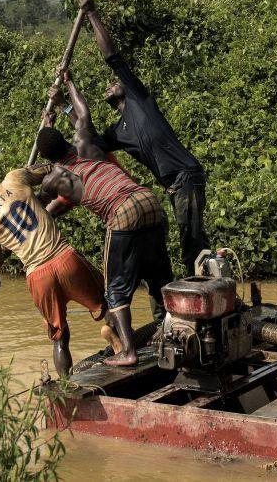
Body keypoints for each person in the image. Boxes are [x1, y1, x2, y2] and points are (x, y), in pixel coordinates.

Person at [35, 73, 172, 368]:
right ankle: (171, 329)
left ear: (48, 159)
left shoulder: (54, 179)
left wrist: (45, 126)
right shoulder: (86, 142)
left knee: (115, 288)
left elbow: (41, 202)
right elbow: (82, 113)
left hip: (121, 211)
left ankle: (128, 351)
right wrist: (70, 84)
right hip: (148, 200)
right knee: (159, 276)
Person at [78, 0, 210, 275]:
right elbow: (86, 139)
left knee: (191, 241)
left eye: (114, 84)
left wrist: (91, 14)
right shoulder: (118, 133)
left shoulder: (139, 99)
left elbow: (111, 56)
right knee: (193, 239)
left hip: (186, 175)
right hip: (175, 185)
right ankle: (207, 285)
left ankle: (201, 292)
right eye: (108, 87)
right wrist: (67, 103)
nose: (109, 86)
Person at [0, 163, 105, 377]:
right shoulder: (14, 178)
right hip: (64, 257)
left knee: (59, 337)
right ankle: (127, 348)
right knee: (109, 304)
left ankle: (66, 384)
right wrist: (40, 196)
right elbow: (49, 170)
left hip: (38, 276)